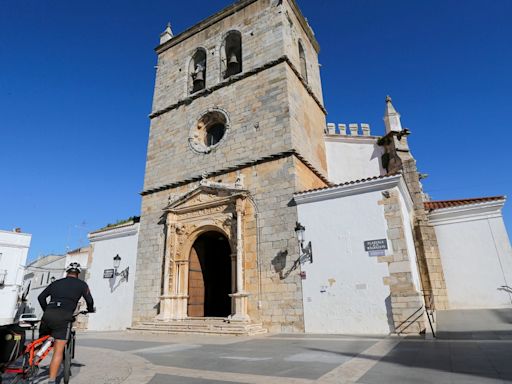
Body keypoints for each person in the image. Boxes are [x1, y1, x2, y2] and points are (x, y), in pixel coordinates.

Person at [37, 262, 94, 384]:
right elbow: (89, 300)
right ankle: (52, 380)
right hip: (64, 317)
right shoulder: (82, 285)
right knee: (58, 351)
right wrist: (90, 309)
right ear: (78, 274)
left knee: (38, 343)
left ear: (67, 272)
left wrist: (46, 310)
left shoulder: (55, 283)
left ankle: (32, 361)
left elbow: (41, 297)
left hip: (47, 315)